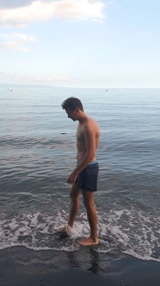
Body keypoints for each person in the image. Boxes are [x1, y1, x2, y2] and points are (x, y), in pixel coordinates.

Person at [55, 97, 101, 246]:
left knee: (89, 204)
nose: (68, 116)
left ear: (77, 110)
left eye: (69, 113)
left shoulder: (88, 125)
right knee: (73, 195)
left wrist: (75, 172)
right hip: (82, 166)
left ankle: (94, 238)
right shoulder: (81, 123)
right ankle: (69, 228)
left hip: (88, 168)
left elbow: (90, 153)